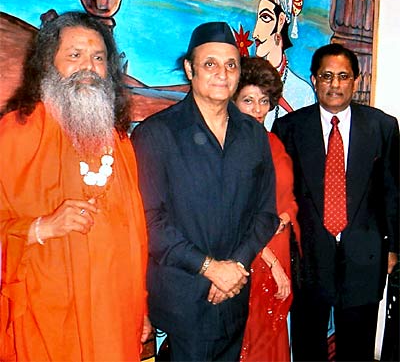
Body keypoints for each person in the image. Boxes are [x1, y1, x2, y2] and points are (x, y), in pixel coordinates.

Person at [0, 11, 150, 361]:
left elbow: (138, 236)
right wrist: (39, 227)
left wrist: (141, 304)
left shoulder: (119, 142)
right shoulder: (15, 134)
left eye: (98, 58)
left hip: (115, 315)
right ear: (47, 64)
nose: (88, 67)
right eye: (74, 55)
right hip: (48, 318)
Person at [132, 22, 280, 362]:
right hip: (179, 300)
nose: (222, 74)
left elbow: (265, 212)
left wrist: (236, 267)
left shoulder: (253, 135)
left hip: (233, 294)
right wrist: (210, 268)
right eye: (210, 63)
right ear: (190, 68)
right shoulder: (157, 134)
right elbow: (149, 221)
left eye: (231, 64)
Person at [272, 43, 399, 362]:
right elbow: (282, 194)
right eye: (327, 76)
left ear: (355, 80)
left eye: (343, 76)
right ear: (314, 80)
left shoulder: (382, 127)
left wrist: (394, 248)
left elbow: (393, 191)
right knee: (308, 345)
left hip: (365, 256)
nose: (335, 84)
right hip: (309, 256)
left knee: (357, 349)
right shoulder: (289, 128)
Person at [232, 56, 300, 362]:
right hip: (253, 256)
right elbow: (236, 216)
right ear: (232, 100)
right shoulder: (230, 148)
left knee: (272, 338)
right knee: (250, 339)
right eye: (248, 100)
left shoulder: (273, 142)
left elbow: (290, 197)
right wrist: (270, 262)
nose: (259, 110)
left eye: (264, 101)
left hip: (280, 246)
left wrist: (287, 214)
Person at [253, 0, 316, 130]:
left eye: (265, 18)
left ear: (281, 21)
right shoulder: (242, 83)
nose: (256, 32)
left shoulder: (302, 91)